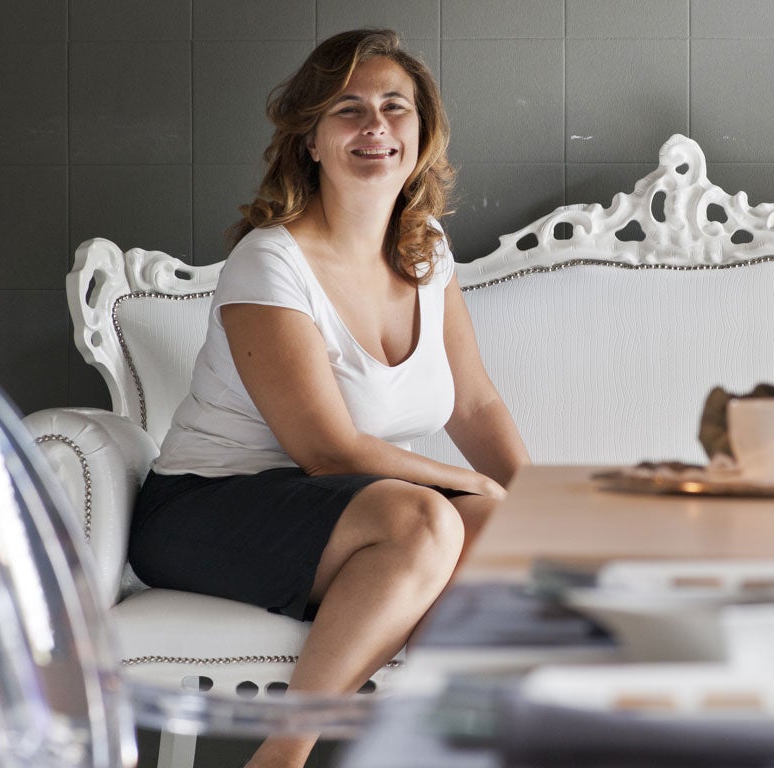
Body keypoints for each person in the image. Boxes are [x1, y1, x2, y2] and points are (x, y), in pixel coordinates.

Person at [129, 28, 529, 768]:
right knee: (427, 518)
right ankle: (283, 755)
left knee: (486, 530)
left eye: (394, 107)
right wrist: (472, 485)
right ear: (309, 139)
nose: (376, 125)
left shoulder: (426, 251)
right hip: (204, 510)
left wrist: (533, 507)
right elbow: (327, 451)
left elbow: (473, 404)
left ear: (421, 132)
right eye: (349, 110)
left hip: (336, 514)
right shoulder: (270, 261)